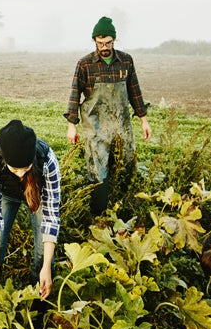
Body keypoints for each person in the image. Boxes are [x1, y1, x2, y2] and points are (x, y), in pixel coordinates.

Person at [0, 119, 61, 329]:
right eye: (15, 169)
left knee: (43, 259)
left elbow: (51, 217)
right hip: (7, 195)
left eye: (25, 168)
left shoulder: (47, 161)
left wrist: (46, 267)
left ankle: (36, 321)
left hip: (37, 191)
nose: (20, 174)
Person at [64, 16, 151, 215]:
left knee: (125, 165)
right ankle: (98, 216)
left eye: (108, 43)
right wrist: (71, 125)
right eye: (100, 43)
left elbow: (134, 91)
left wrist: (144, 120)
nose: (104, 47)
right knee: (98, 169)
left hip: (121, 125)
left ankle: (123, 211)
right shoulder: (85, 64)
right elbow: (75, 94)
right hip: (96, 127)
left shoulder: (126, 61)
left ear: (114, 40)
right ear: (94, 41)